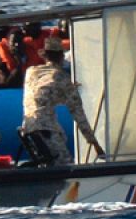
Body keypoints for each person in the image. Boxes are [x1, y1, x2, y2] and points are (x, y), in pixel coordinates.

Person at [20, 38, 103, 166]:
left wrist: (66, 91)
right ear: (61, 56)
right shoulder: (62, 78)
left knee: (47, 164)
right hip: (46, 129)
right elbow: (79, 116)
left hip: (28, 128)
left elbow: (41, 97)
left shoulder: (31, 72)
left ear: (45, 55)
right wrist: (95, 144)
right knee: (66, 166)